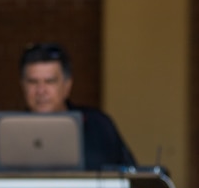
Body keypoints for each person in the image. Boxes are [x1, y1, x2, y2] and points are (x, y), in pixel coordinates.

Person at [19, 42, 136, 171]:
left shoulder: (99, 126)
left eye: (50, 81)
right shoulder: (6, 133)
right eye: (33, 82)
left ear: (67, 85)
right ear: (23, 86)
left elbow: (132, 176)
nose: (41, 91)